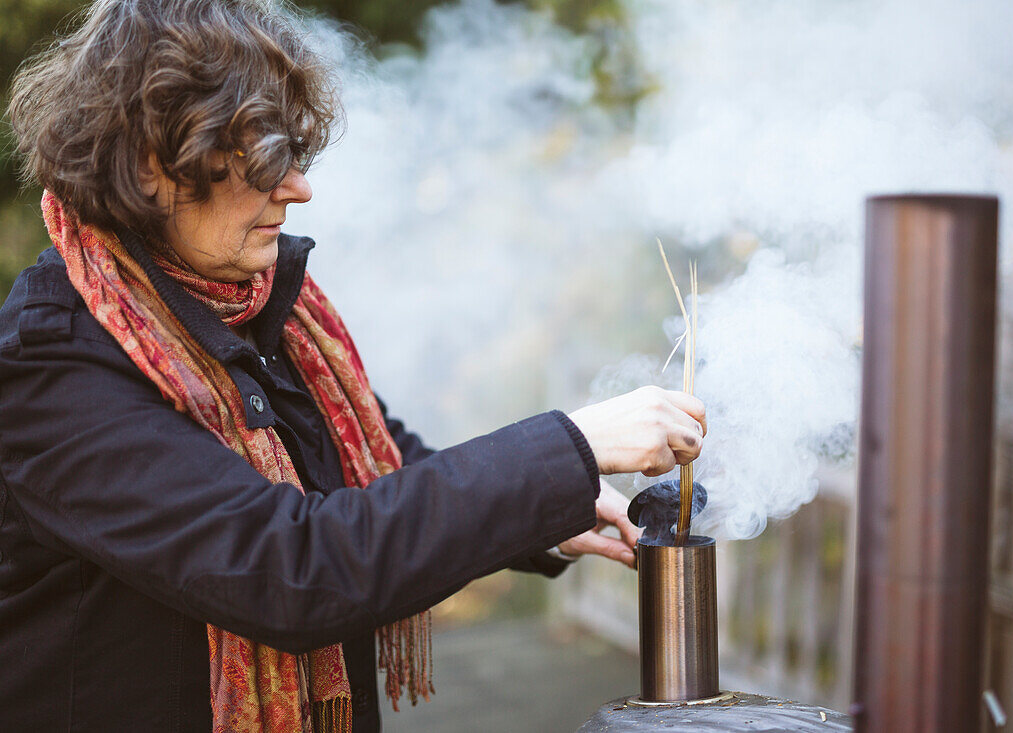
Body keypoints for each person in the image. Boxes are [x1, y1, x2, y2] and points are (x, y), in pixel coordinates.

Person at [0, 1, 707, 731]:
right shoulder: (53, 364)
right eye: (263, 159)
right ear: (153, 165)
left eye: (295, 155)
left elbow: (381, 468)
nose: (299, 187)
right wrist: (574, 444)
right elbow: (291, 568)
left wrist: (548, 513)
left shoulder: (256, 303)